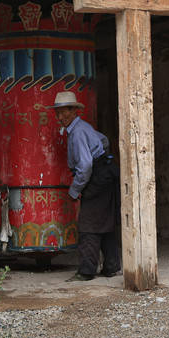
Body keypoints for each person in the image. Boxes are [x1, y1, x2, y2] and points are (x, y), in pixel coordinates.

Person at [48, 91, 121, 281]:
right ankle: (112, 267)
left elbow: (86, 165)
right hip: (105, 172)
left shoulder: (77, 132)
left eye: (65, 112)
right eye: (58, 112)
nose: (60, 116)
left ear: (74, 111)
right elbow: (104, 140)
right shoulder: (82, 127)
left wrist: (75, 189)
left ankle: (86, 271)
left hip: (97, 176)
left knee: (88, 225)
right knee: (105, 221)